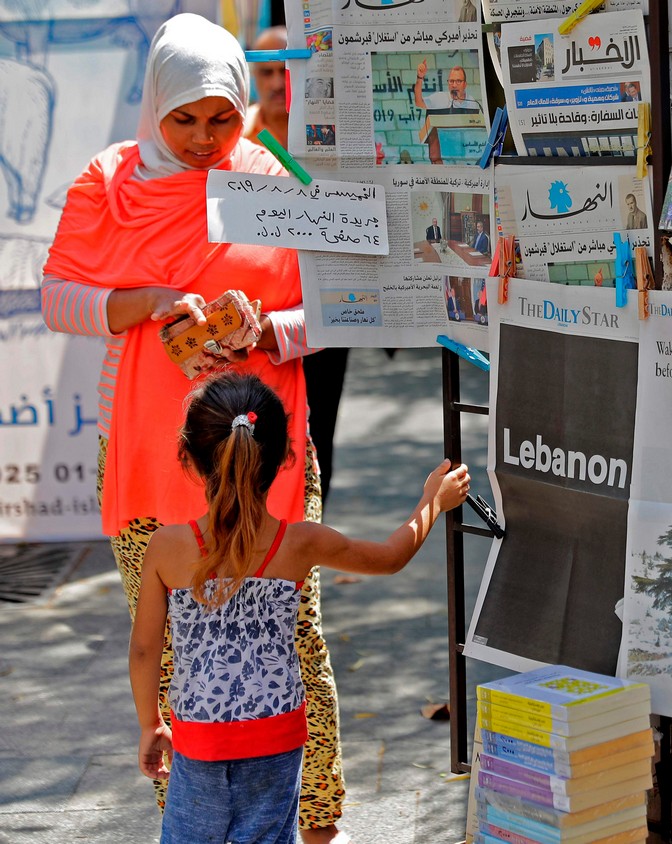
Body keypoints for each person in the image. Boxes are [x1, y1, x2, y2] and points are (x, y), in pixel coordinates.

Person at [41, 15, 345, 842]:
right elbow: (58, 295)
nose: (207, 137)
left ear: (246, 104)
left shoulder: (277, 183)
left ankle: (314, 821)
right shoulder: (110, 183)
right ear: (155, 108)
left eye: (222, 116)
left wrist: (269, 330)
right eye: (185, 118)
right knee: (166, 641)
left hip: (265, 452)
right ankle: (185, 818)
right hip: (151, 451)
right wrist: (139, 305)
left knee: (293, 633)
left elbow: (338, 303)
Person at [129, 372, 470, 844]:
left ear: (187, 457)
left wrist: (151, 724)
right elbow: (391, 557)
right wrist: (433, 501)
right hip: (279, 733)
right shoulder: (299, 543)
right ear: (287, 458)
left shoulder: (166, 547)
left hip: (199, 735)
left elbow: (146, 651)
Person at [244, 25, 349, 506]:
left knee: (316, 424)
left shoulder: (331, 133)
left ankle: (306, 527)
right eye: (264, 71)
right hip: (253, 312)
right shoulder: (231, 138)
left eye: (284, 71)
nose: (275, 82)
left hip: (316, 307)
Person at [412, 60, 481, 164]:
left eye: (458, 81)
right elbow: (419, 102)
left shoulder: (472, 103)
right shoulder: (439, 98)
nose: (454, 85)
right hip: (441, 158)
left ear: (465, 84)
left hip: (465, 157)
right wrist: (420, 78)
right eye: (451, 81)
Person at [244, 26, 288, 146]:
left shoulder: (325, 127)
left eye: (285, 71)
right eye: (266, 73)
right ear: (254, 75)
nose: (277, 85)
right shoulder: (237, 132)